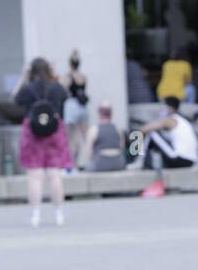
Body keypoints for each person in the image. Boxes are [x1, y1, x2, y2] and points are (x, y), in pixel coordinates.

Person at [13, 57, 70, 227]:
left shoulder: (28, 88)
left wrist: (23, 77)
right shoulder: (56, 87)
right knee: (54, 175)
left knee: (35, 177)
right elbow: (65, 96)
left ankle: (35, 215)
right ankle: (59, 213)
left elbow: (15, 99)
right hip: (54, 132)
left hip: (32, 133)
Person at [132, 96, 198, 169]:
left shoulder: (171, 119)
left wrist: (132, 143)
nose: (161, 108)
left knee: (151, 133)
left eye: (163, 106)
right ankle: (148, 162)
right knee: (158, 139)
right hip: (190, 161)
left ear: (170, 108)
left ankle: (139, 161)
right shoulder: (181, 120)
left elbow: (143, 129)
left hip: (179, 158)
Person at [63, 49, 90, 168]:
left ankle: (72, 163)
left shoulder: (68, 76)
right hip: (82, 107)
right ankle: (87, 160)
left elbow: (64, 90)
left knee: (72, 137)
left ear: (70, 64)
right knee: (85, 136)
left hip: (72, 105)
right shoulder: (83, 76)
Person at [82, 103, 127, 172]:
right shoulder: (118, 129)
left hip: (101, 163)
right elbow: (121, 147)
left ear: (99, 114)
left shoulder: (94, 129)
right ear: (111, 114)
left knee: (86, 168)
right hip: (118, 162)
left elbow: (89, 153)